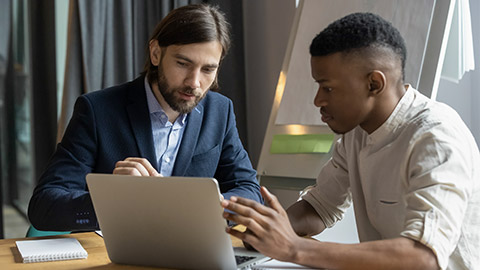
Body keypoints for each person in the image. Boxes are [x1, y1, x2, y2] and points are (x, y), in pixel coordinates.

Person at [222, 12, 479, 270]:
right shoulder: (357, 133)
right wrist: (269, 230)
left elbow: (424, 258)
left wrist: (295, 248)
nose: (317, 100)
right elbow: (319, 207)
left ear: (374, 84)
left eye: (328, 88)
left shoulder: (436, 138)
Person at [28, 4, 262, 231]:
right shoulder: (97, 110)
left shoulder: (220, 111)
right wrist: (113, 200)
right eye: (183, 63)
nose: (194, 82)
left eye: (208, 69)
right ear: (156, 53)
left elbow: (250, 190)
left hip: (192, 251)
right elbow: (44, 207)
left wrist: (202, 208)